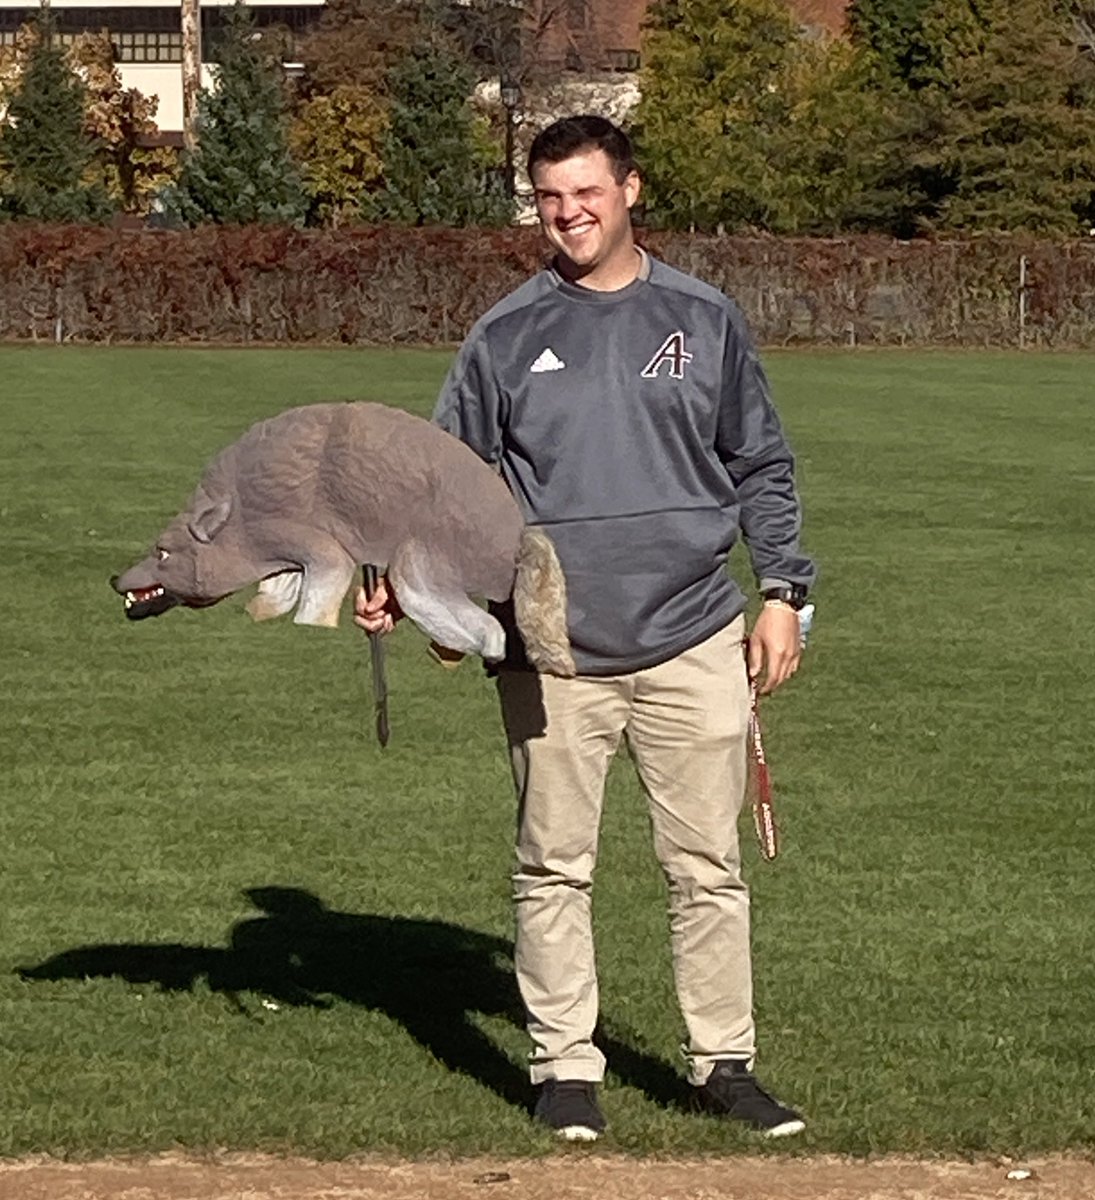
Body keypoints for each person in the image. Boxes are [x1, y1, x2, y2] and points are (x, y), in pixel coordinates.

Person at [355, 114, 816, 1142]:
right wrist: (407, 581)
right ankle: (566, 1067)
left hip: (696, 632)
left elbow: (763, 466)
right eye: (551, 197)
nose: (569, 214)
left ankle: (723, 1065)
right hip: (552, 646)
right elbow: (445, 486)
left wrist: (784, 590)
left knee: (707, 867)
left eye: (587, 194)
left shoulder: (705, 317)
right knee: (554, 864)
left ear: (631, 190)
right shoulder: (506, 335)